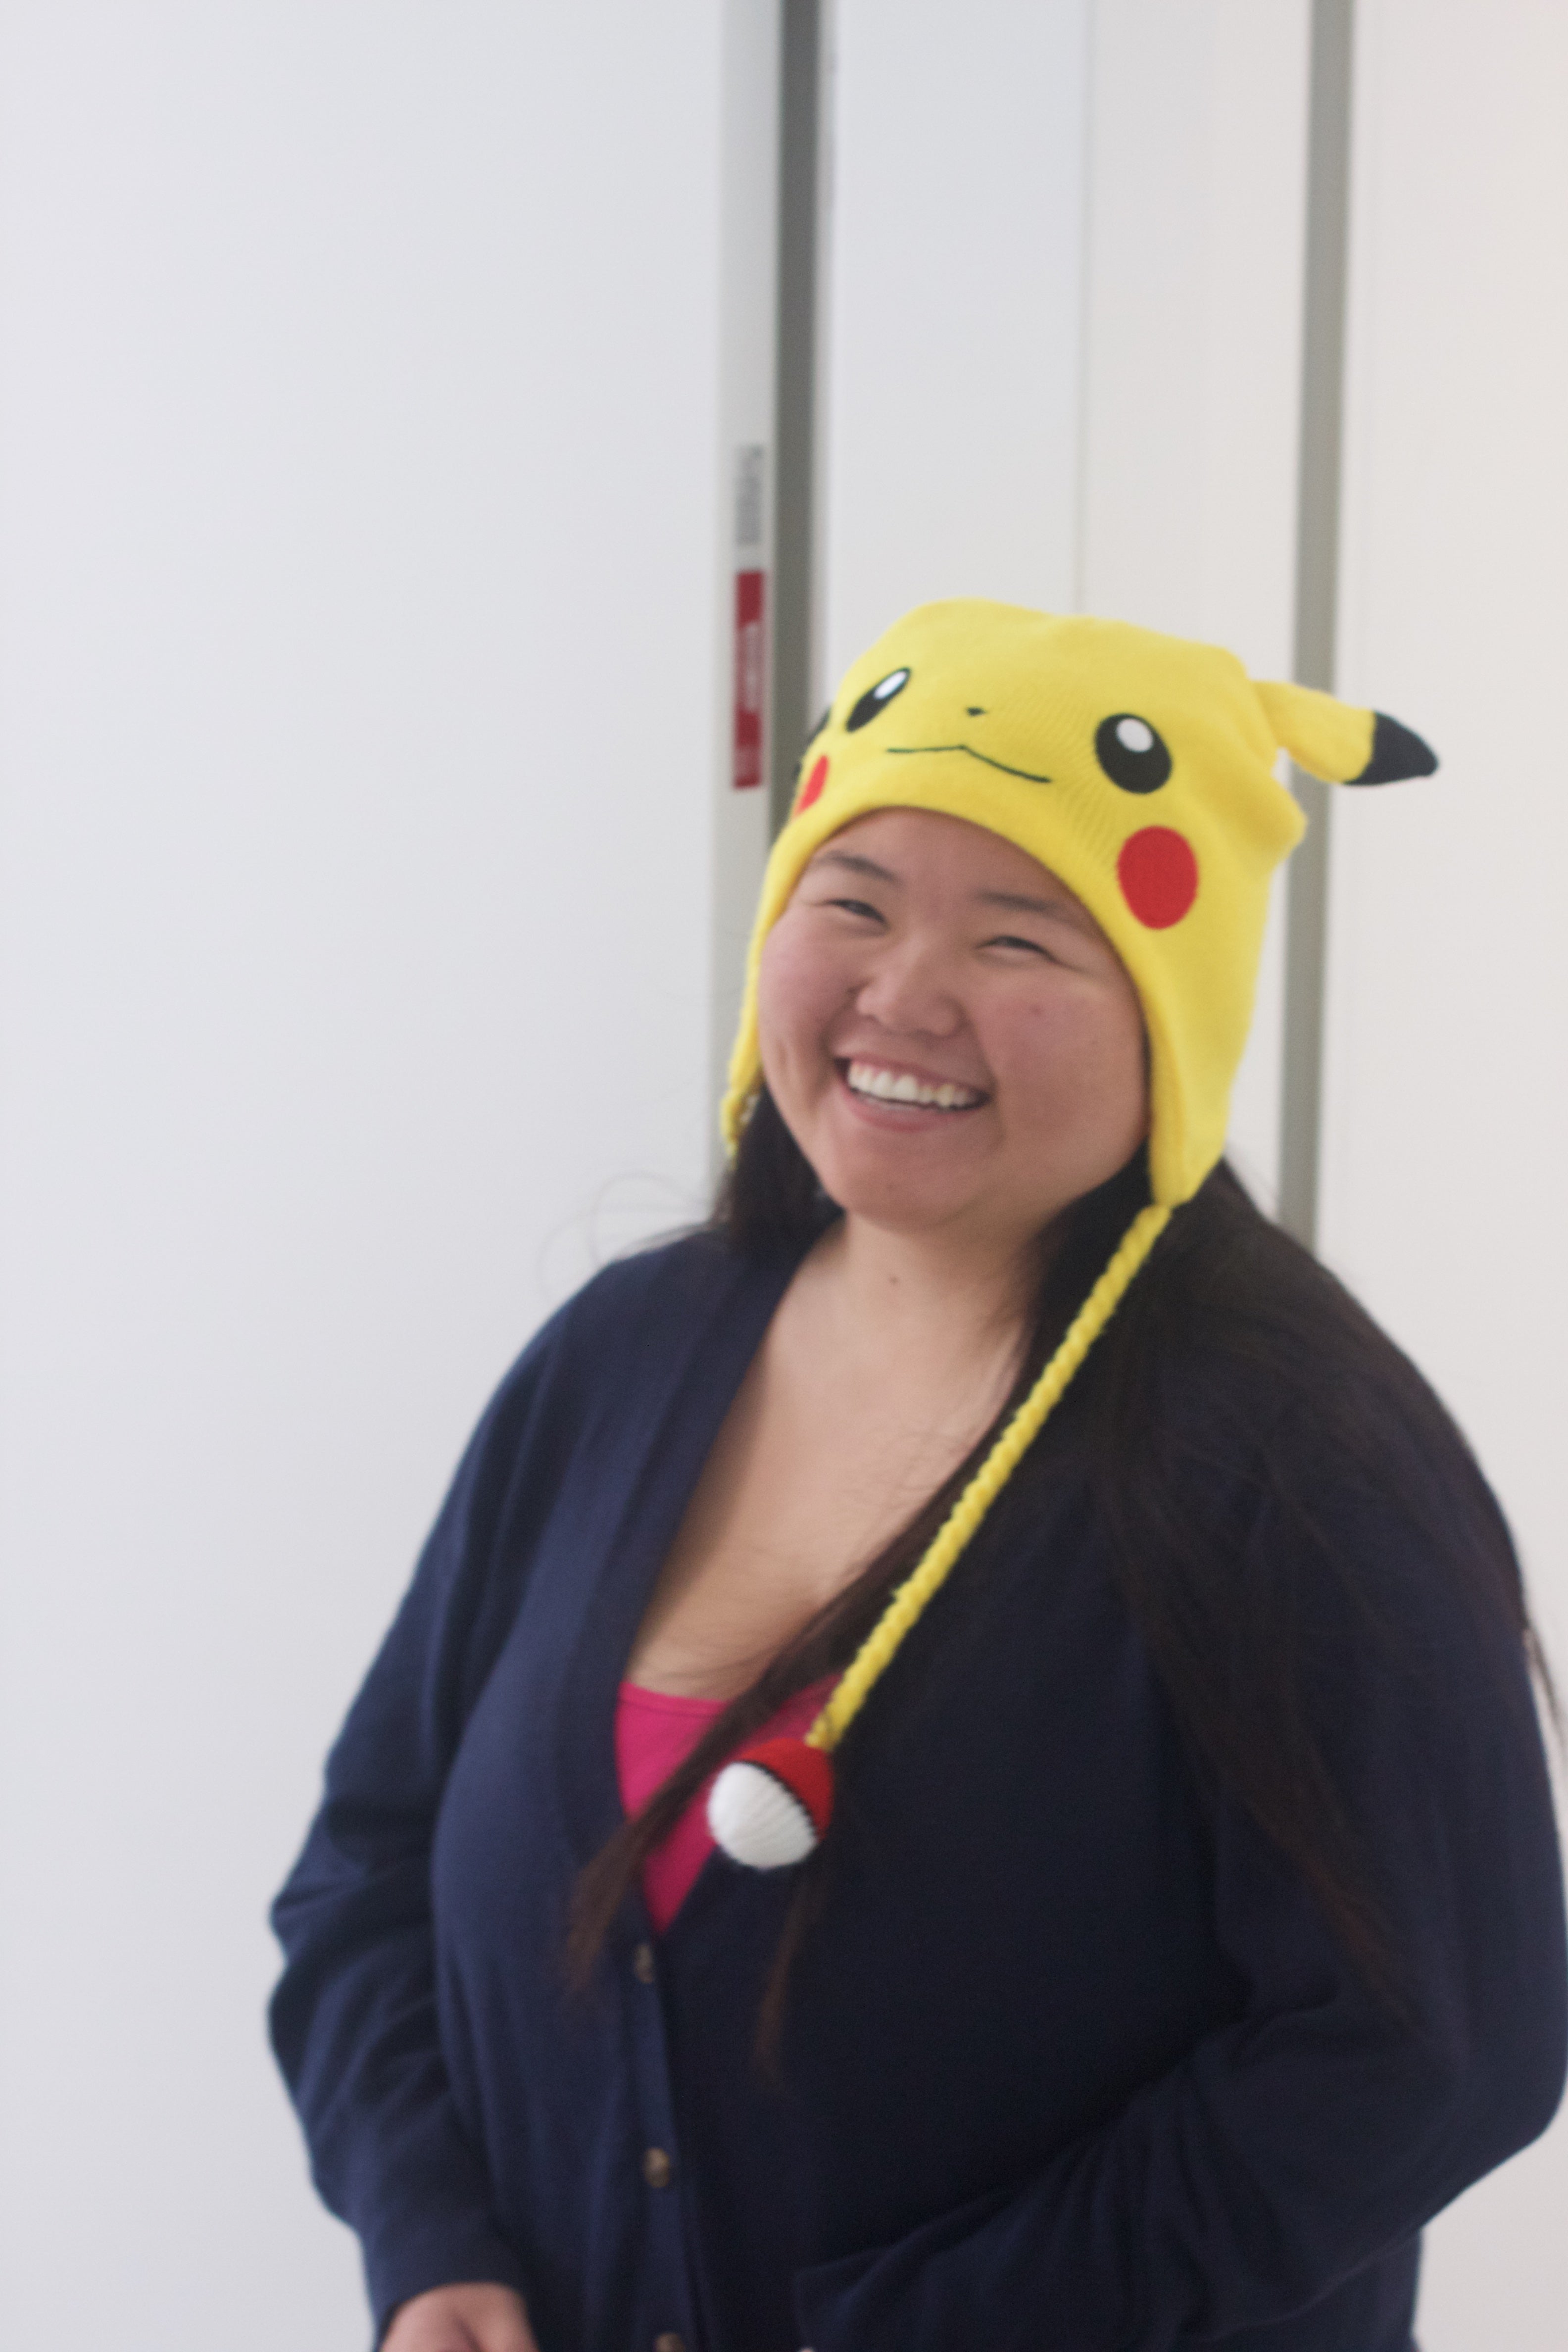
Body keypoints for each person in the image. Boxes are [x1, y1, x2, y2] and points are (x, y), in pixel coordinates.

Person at [270, 600, 1568, 2352]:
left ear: (1169, 1013)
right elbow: (368, 1872)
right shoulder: (622, 1355)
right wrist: (434, 2245)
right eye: (855, 902)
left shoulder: (1292, 1459)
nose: (904, 994)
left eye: (1021, 936)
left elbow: (1437, 2050)